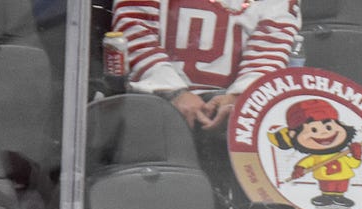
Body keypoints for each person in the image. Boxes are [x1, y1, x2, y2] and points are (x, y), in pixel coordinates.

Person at [112, 0, 302, 133]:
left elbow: (272, 42)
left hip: (233, 114)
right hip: (151, 107)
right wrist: (172, 91)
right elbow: (135, 28)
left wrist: (240, 97)